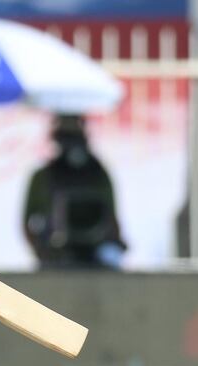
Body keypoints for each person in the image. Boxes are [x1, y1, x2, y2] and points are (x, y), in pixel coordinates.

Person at [24, 114, 126, 269]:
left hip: (96, 254)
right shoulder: (44, 177)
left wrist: (112, 243)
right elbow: (27, 222)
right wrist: (43, 251)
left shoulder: (97, 173)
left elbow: (111, 216)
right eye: (67, 133)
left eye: (74, 132)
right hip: (57, 254)